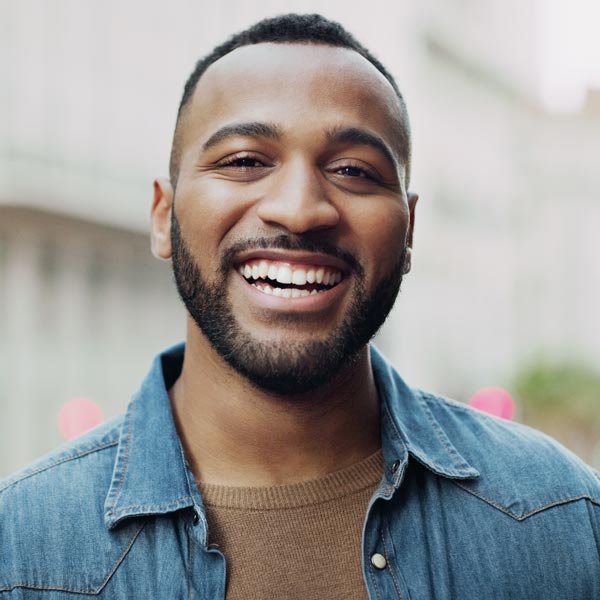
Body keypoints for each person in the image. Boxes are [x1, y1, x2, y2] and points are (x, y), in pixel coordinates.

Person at [1, 13, 599, 600]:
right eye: (244, 162)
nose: (299, 208)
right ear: (164, 216)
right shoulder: (20, 547)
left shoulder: (564, 518)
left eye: (352, 171)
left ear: (409, 229)